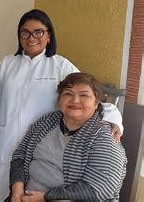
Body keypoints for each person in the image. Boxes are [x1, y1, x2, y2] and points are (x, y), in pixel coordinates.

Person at [0, 9, 124, 201]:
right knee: (4, 190)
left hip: (44, 144)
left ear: (49, 36)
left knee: (33, 187)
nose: (31, 37)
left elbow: (87, 95)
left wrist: (113, 119)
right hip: (6, 141)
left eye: (38, 32)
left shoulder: (61, 66)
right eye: (25, 32)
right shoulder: (7, 63)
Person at [9, 73, 127, 201]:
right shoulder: (46, 122)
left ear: (97, 103)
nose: (75, 100)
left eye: (84, 95)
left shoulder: (104, 136)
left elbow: (98, 189)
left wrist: (45, 197)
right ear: (59, 99)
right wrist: (17, 190)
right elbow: (20, 156)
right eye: (68, 94)